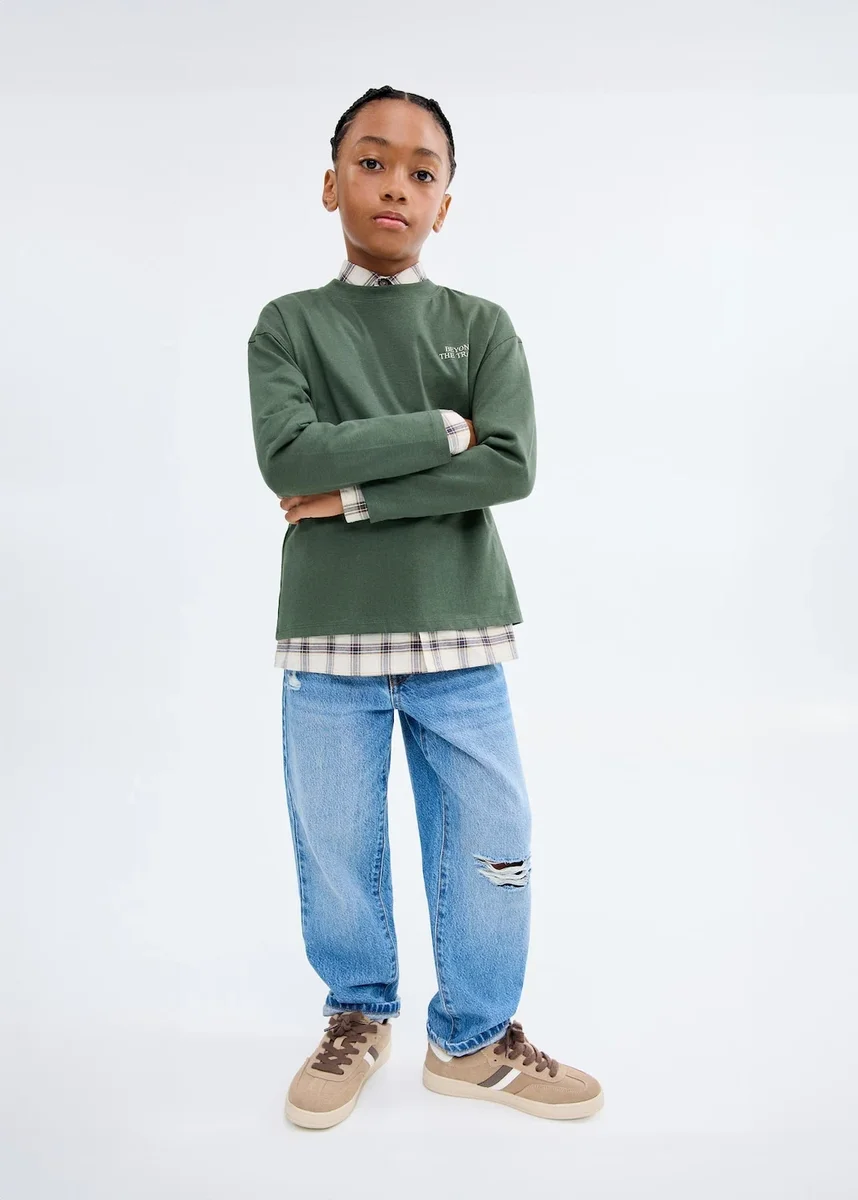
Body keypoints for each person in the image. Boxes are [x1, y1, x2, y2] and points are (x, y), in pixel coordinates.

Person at [247, 84, 603, 1130]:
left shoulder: (479, 326)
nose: (395, 184)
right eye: (371, 161)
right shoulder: (288, 325)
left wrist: (353, 496)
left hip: (461, 627)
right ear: (330, 184)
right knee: (336, 846)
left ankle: (474, 1038)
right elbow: (289, 458)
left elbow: (512, 466)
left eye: (422, 170)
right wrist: (443, 431)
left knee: (494, 837)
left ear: (446, 201)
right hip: (328, 636)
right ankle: (358, 1015)